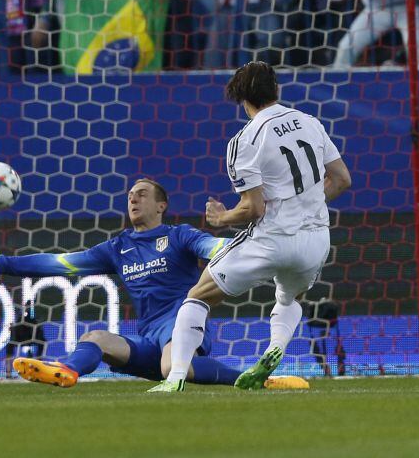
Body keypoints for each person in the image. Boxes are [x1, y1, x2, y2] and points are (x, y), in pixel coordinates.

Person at [0, 178, 308, 390]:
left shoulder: (179, 235)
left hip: (181, 329)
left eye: (142, 194)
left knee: (173, 368)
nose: (133, 199)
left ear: (162, 205)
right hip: (148, 339)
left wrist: (242, 249)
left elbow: (214, 247)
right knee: (94, 338)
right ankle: (65, 371)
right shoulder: (118, 247)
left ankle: (257, 379)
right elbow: (61, 262)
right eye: (130, 196)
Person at [148, 61, 351, 393]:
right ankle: (275, 349)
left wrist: (221, 218)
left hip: (273, 239)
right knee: (289, 298)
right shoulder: (311, 123)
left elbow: (252, 209)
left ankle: (174, 378)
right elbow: (342, 179)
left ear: (241, 98)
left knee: (197, 297)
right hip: (316, 240)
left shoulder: (246, 140)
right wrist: (308, 205)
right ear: (276, 90)